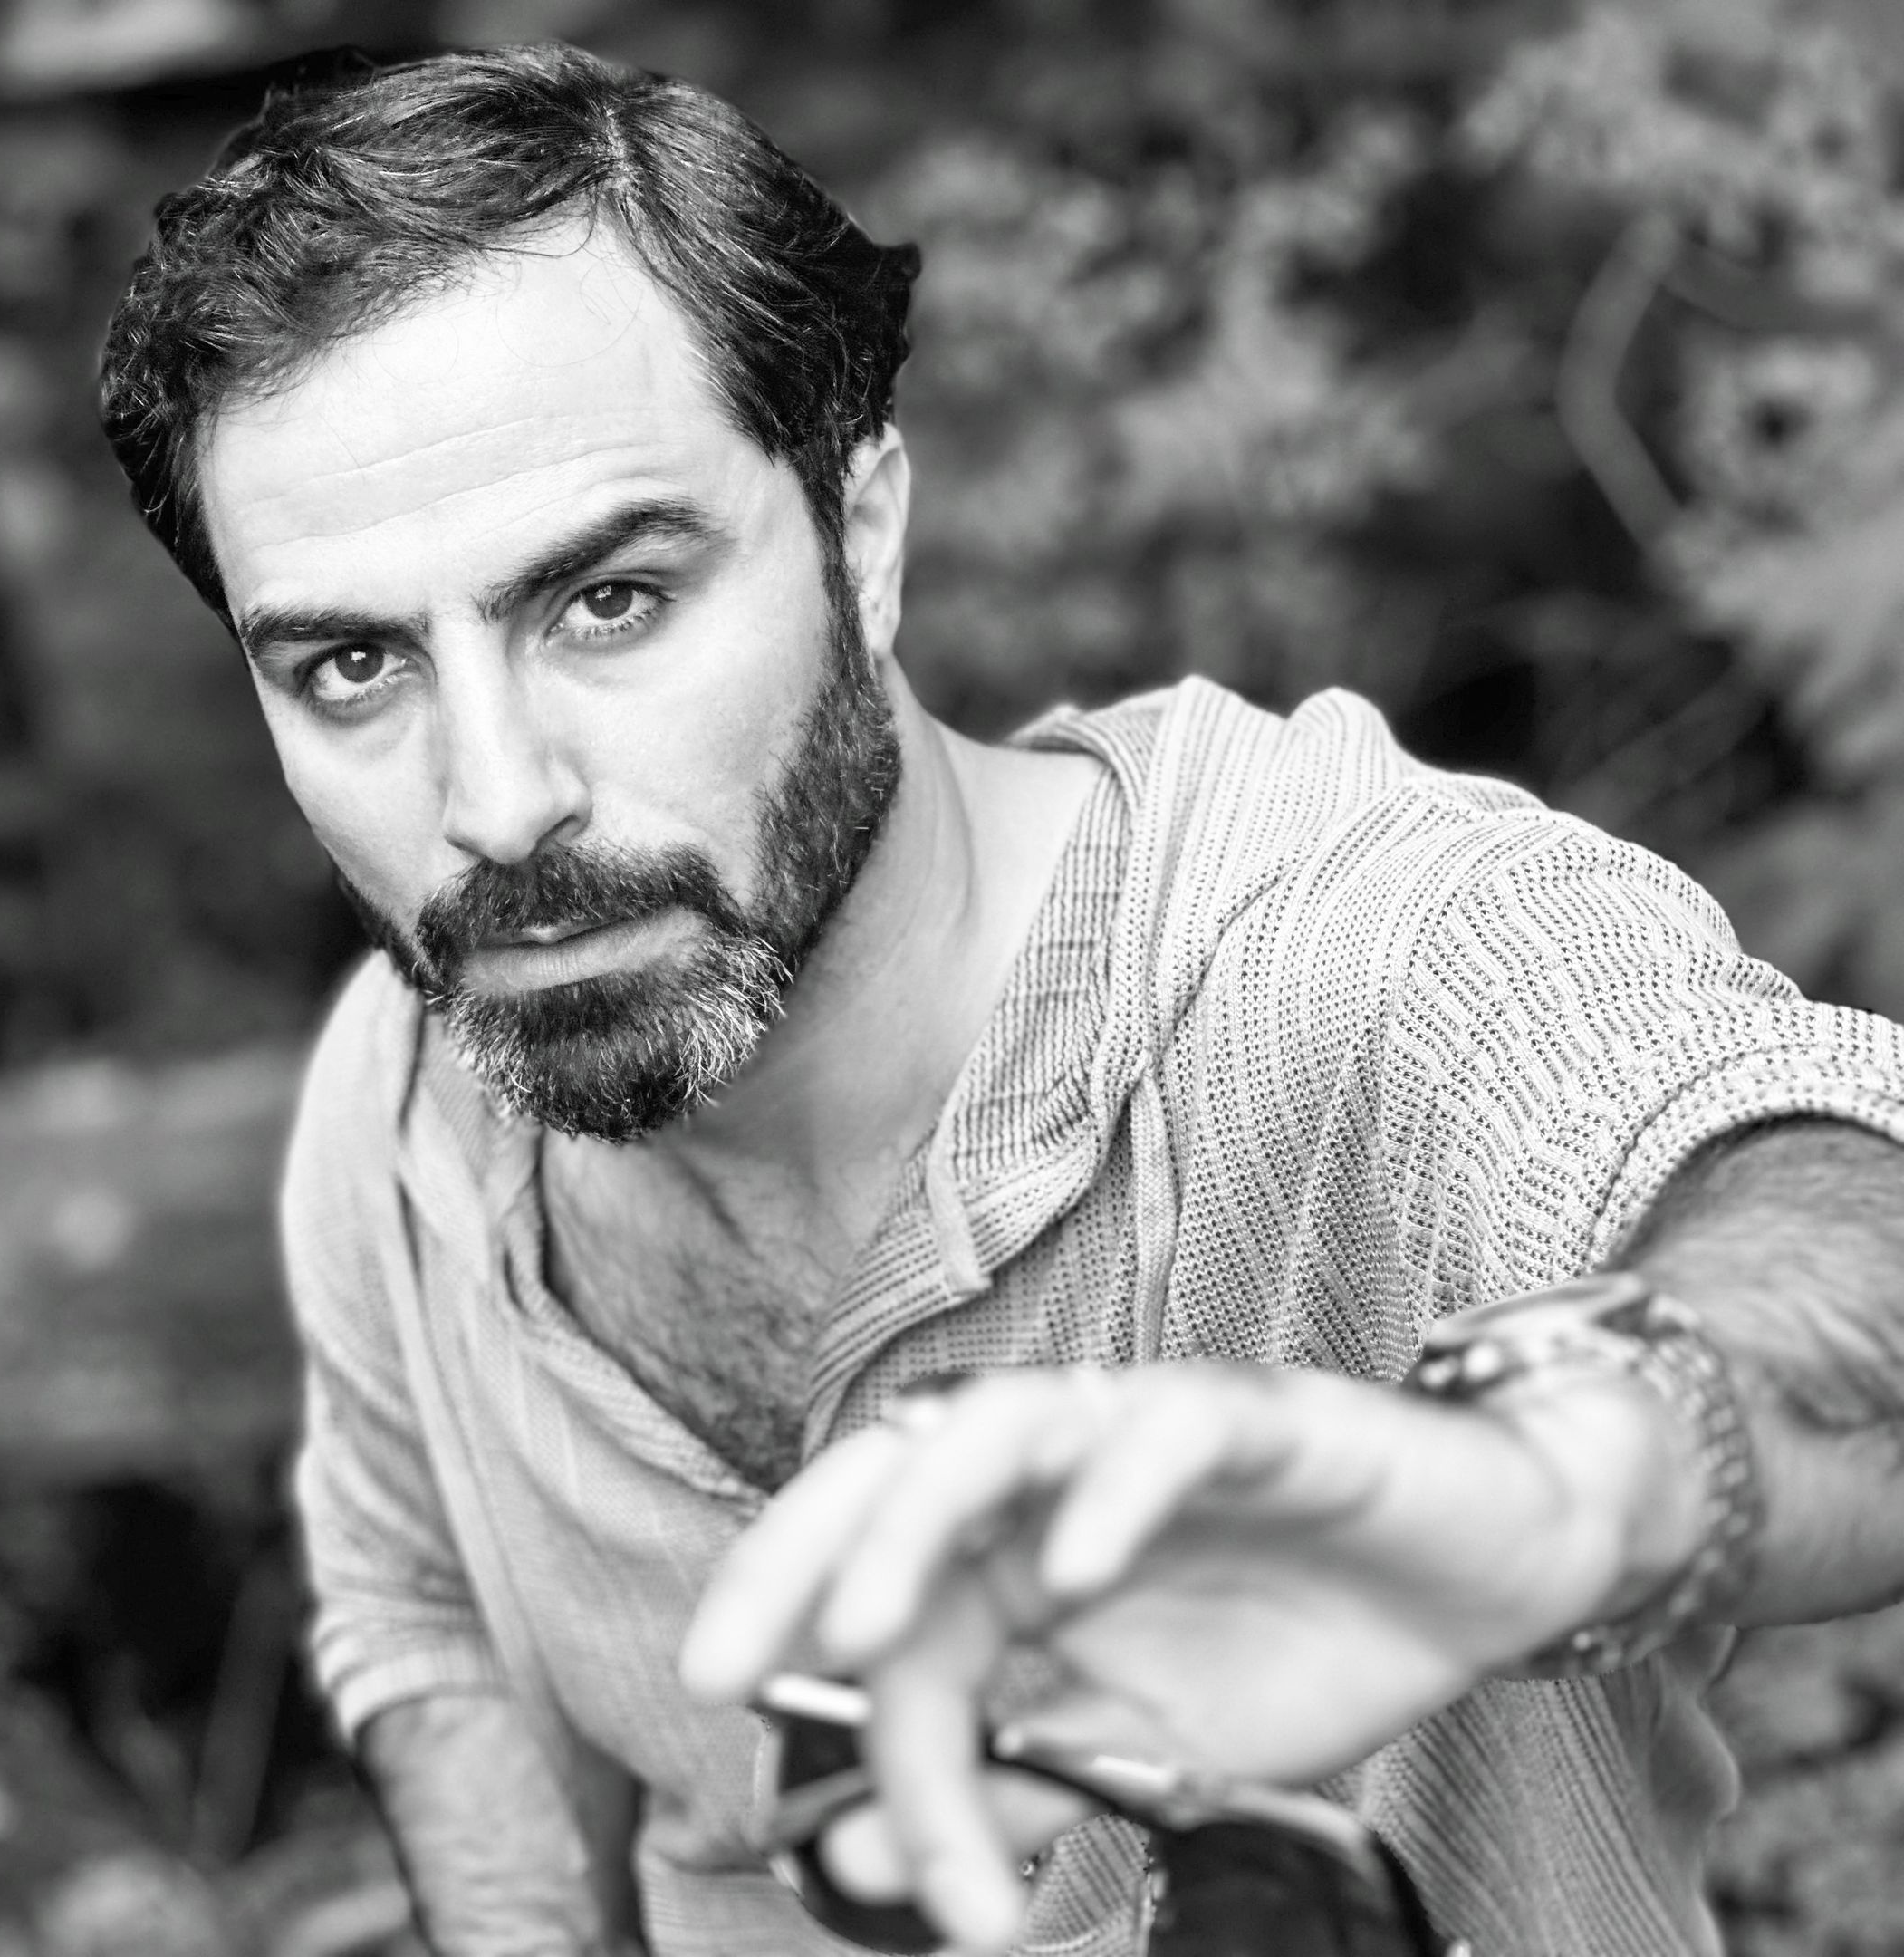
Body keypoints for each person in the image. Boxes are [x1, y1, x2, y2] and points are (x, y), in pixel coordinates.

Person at [98, 43, 1904, 1957]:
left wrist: (1551, 1485)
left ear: (862, 535)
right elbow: (424, 1619)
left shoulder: (1349, 959)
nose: (495, 802)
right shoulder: (407, 1102)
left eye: (610, 600)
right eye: (353, 667)